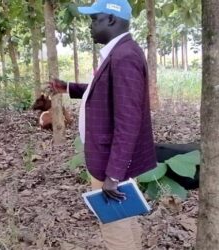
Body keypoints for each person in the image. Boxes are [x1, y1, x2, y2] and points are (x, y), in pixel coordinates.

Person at [48, 0, 157, 249]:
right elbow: (109, 94)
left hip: (111, 162)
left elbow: (128, 120)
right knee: (125, 221)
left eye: (94, 19)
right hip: (113, 160)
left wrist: (114, 175)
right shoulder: (121, 52)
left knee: (115, 231)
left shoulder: (124, 57)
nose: (90, 26)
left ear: (111, 20)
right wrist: (68, 88)